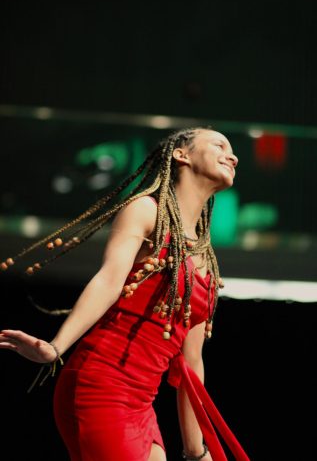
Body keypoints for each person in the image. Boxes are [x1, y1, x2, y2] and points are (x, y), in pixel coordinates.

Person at [0, 128, 249, 461]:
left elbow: (191, 365)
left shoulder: (204, 257)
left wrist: (196, 450)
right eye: (220, 145)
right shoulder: (146, 212)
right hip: (100, 383)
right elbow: (108, 280)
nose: (232, 156)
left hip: (141, 402)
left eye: (232, 151)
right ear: (181, 154)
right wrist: (56, 347)